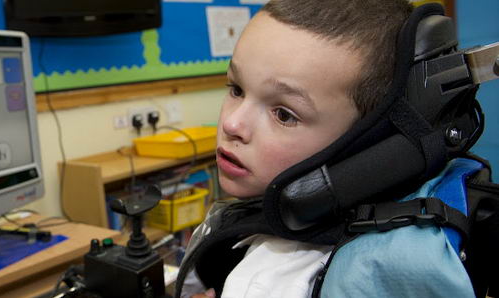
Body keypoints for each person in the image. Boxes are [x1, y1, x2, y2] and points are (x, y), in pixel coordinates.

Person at [177, 0, 484, 297]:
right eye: (237, 89)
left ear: (365, 142)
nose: (233, 124)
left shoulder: (277, 281)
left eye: (284, 114)